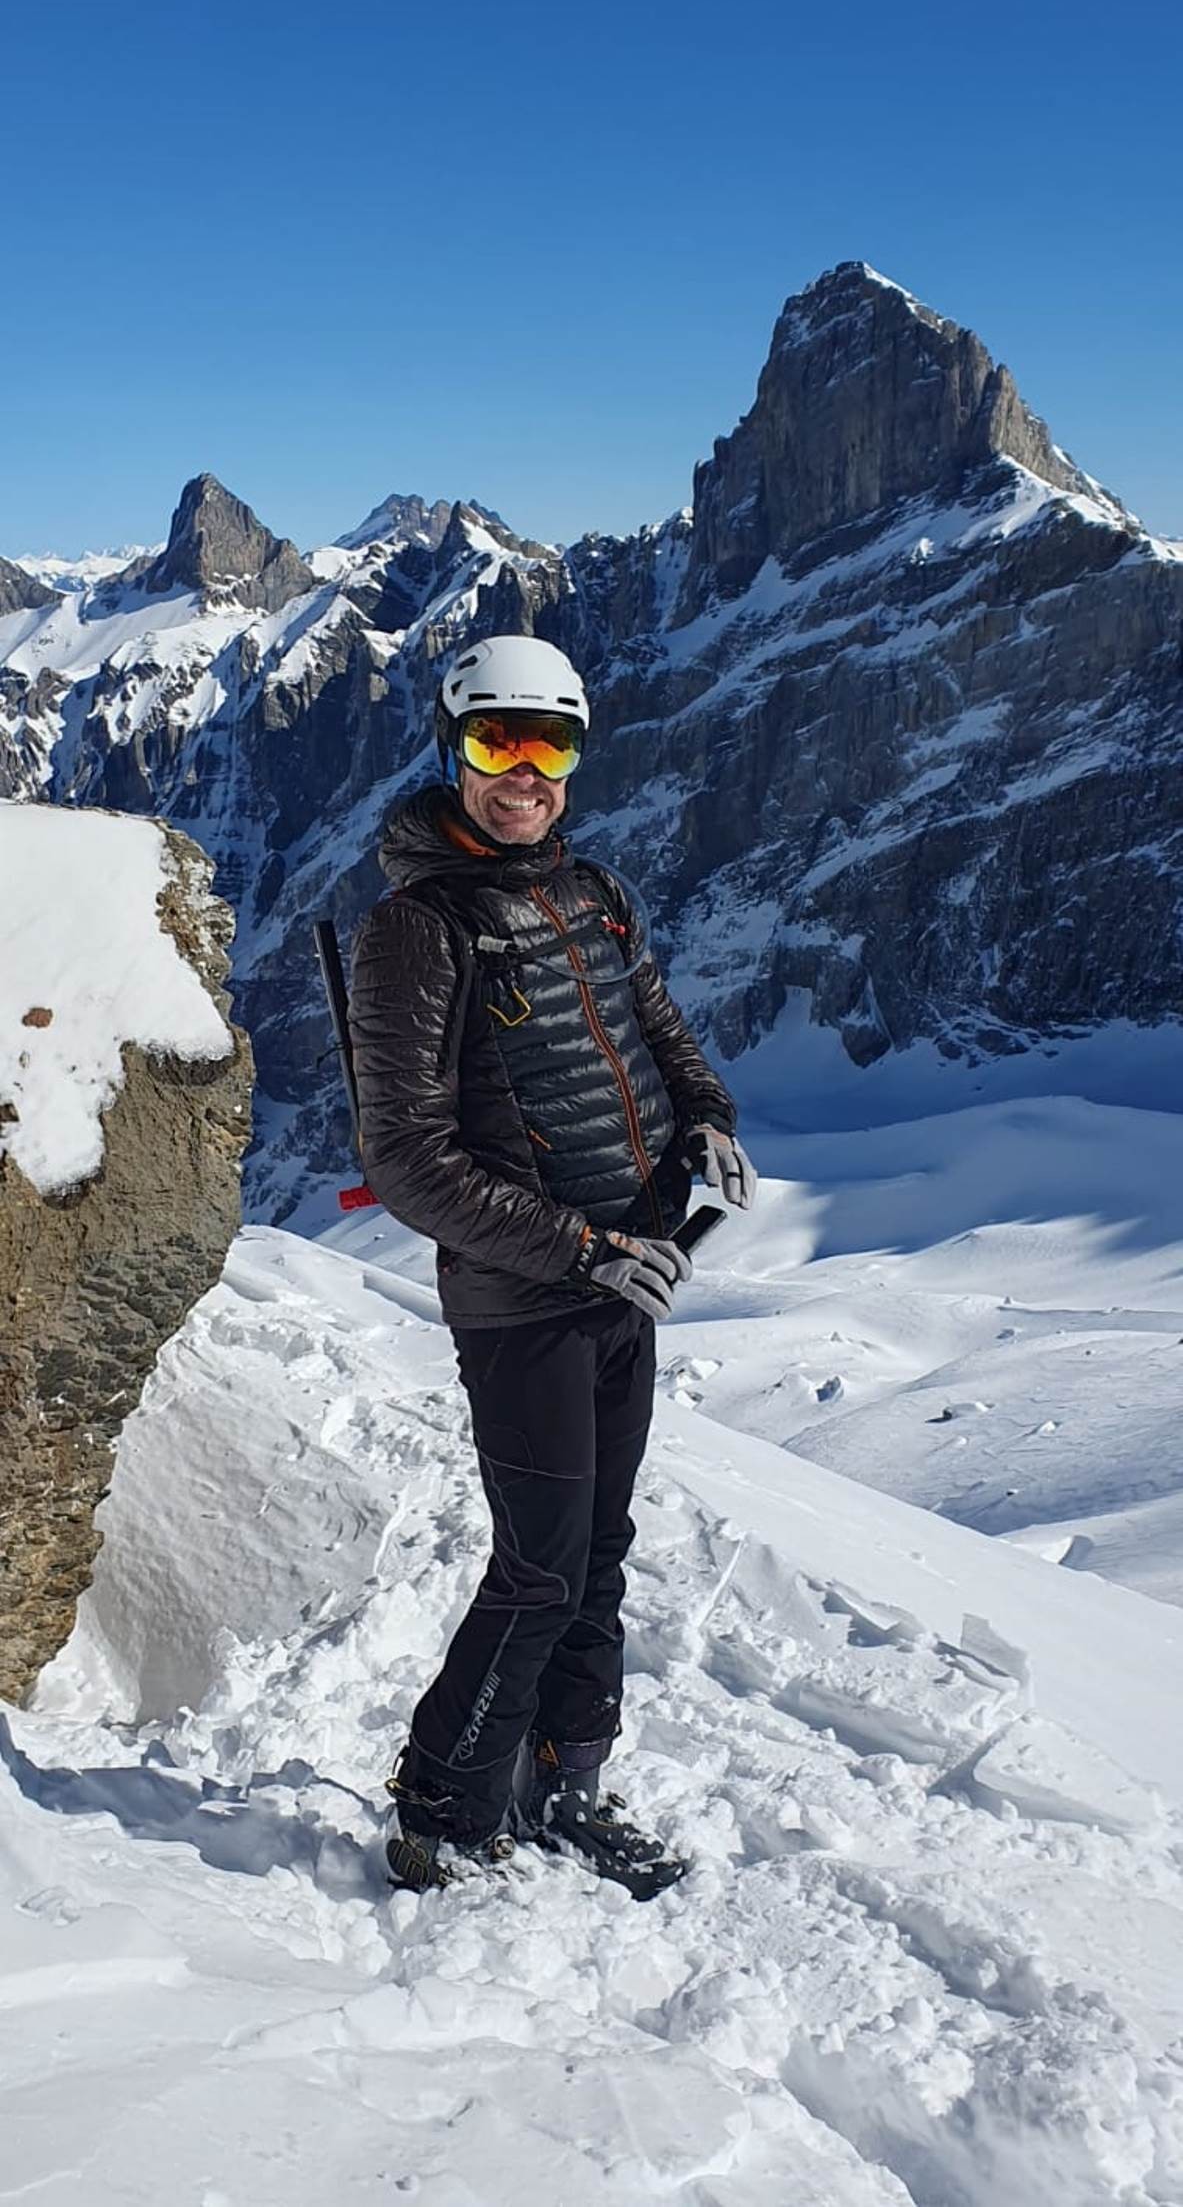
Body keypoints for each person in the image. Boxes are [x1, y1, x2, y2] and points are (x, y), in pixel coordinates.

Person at [348, 633, 755, 1899]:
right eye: (497, 740)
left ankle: (564, 1779)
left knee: (596, 1550)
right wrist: (582, 1250)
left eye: (550, 743)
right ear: (454, 750)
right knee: (538, 1568)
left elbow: (659, 1035)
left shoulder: (594, 893)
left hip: (631, 1273)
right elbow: (404, 1159)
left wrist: (709, 1121)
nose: (523, 770)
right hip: (527, 1300)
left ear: (576, 757)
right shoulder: (417, 929)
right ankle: (439, 1809)